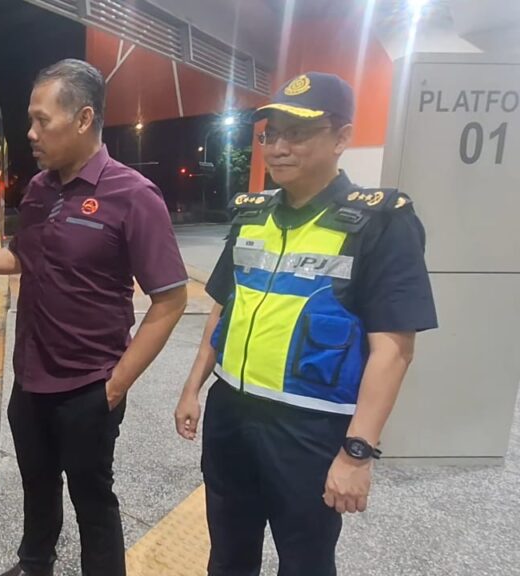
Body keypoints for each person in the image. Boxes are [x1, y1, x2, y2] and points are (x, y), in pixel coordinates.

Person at [174, 72, 438, 575]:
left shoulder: (380, 223)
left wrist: (357, 453)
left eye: (297, 133)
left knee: (305, 562)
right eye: (270, 135)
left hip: (310, 426)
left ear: (341, 138)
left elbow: (394, 348)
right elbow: (224, 306)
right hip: (231, 414)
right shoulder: (252, 216)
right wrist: (193, 389)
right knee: (227, 555)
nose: (278, 148)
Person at [0, 59, 188, 576]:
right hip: (30, 380)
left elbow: (170, 301)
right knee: (36, 485)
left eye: (42, 120)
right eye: (30, 120)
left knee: (93, 500)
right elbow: (24, 256)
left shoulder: (133, 195)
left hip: (88, 386)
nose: (30, 133)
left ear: (83, 118)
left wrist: (115, 386)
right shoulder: (39, 189)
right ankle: (35, 565)